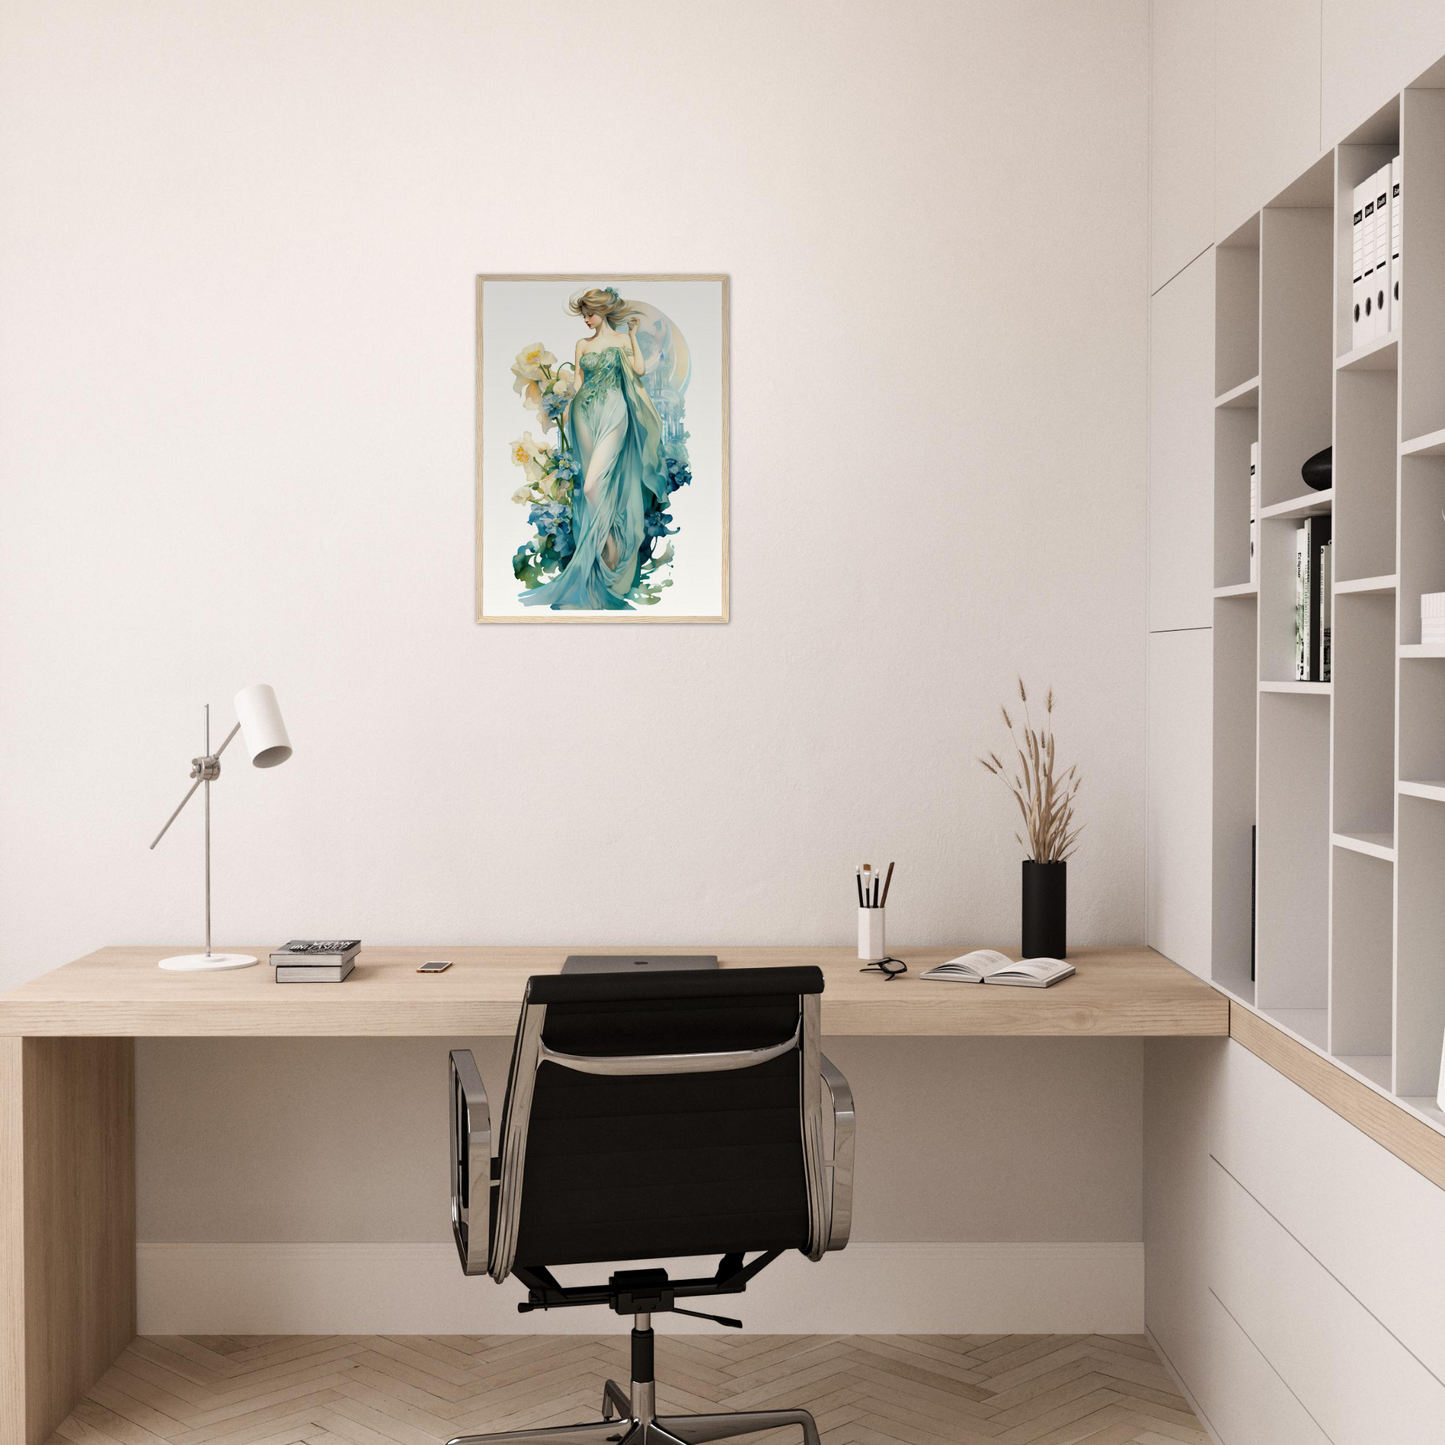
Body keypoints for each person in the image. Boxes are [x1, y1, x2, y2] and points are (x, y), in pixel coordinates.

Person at [519, 287, 669, 609]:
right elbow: (577, 384)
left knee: (590, 488)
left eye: (590, 313)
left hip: (614, 414)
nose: (586, 320)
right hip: (583, 415)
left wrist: (634, 335)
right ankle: (605, 548)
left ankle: (611, 544)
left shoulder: (621, 341)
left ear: (602, 311)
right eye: (584, 314)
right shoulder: (581, 345)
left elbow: (639, 371)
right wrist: (552, 389)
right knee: (594, 485)